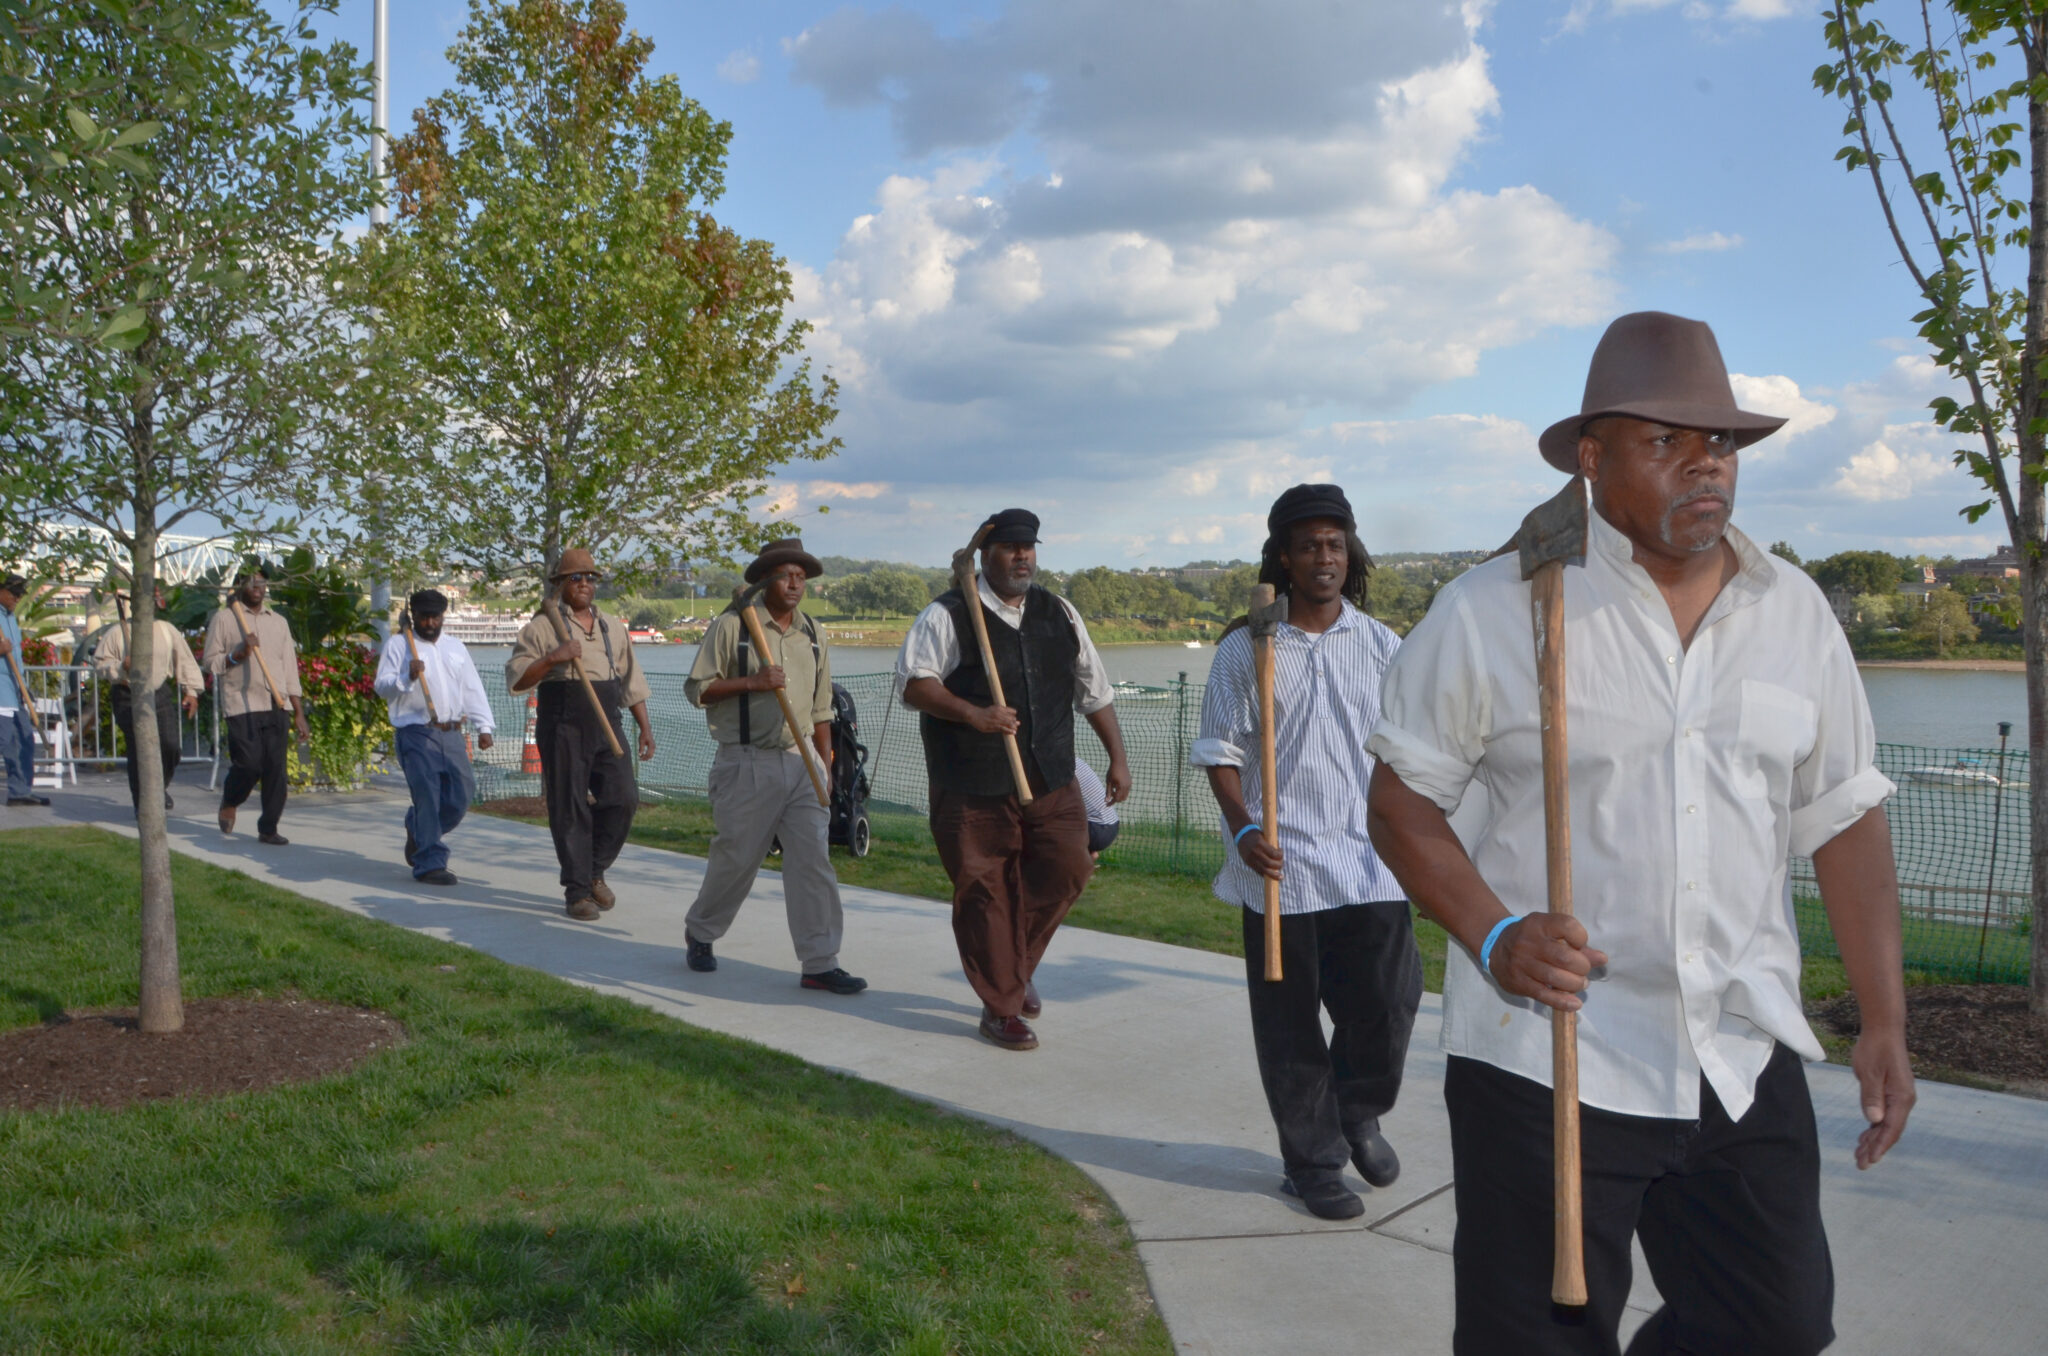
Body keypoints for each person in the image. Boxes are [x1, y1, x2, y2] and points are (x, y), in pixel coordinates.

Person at [1364, 311, 1915, 1355]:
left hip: (1736, 1049)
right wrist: (1495, 935)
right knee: (1537, 1342)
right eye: (1665, 441)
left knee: (1775, 1327)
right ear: (1590, 458)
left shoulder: (1794, 613)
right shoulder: (1495, 609)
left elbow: (1844, 818)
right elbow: (1398, 803)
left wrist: (1882, 1020)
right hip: (1550, 1059)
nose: (1705, 463)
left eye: (1720, 442)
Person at [1191, 483, 1422, 1222]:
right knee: (1289, 1029)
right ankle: (1313, 1162)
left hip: (1370, 861)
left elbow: (1411, 753)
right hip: (1282, 869)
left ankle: (1357, 1111)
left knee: (1389, 1005)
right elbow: (1220, 754)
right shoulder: (1248, 647)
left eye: (1335, 543)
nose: (1324, 557)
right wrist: (1242, 829)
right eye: (1308, 546)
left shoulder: (1383, 645)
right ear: (1284, 559)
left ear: (1349, 553)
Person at [895, 507, 1132, 1050]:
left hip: (1050, 776)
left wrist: (1117, 758)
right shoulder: (948, 613)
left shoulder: (1060, 612)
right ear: (985, 555)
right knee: (985, 890)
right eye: (1009, 547)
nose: (1022, 556)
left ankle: (1012, 967)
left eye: (1029, 547)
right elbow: (913, 684)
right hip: (970, 781)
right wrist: (972, 714)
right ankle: (1001, 1006)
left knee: (1070, 866)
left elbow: (1094, 691)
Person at [680, 538, 866, 994]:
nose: (796, 584)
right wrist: (753, 682)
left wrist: (824, 767)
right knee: (736, 859)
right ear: (765, 580)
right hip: (746, 762)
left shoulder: (814, 634)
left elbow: (821, 710)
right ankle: (701, 932)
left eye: (802, 577)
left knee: (813, 862)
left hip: (803, 763)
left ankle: (820, 962)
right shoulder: (732, 626)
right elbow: (698, 690)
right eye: (787, 576)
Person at [506, 549, 656, 920]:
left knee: (623, 798)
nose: (584, 584)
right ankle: (577, 893)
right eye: (575, 578)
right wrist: (553, 657)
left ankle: (593, 871)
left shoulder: (612, 627)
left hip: (607, 722)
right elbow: (519, 680)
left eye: (590, 578)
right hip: (563, 723)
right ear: (560, 584)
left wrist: (645, 727)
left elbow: (631, 681)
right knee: (569, 807)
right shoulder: (542, 627)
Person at [374, 589, 496, 886]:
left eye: (435, 617)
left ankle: (418, 829)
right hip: (415, 732)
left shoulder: (455, 647)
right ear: (413, 616)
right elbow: (381, 687)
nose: (430, 623)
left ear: (443, 617)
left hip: (451, 732)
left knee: (462, 795)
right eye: (424, 617)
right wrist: (407, 677)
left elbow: (471, 688)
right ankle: (430, 863)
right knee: (427, 795)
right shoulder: (398, 645)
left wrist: (484, 726)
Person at [202, 567, 309, 843]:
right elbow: (210, 662)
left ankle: (268, 828)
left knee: (276, 771)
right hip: (241, 704)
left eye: (261, 582)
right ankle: (230, 800)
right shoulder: (225, 619)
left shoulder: (279, 622)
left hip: (276, 703)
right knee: (248, 765)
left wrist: (298, 711)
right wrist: (237, 655)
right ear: (239, 585)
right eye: (250, 582)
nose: (257, 587)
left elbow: (290, 669)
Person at [92, 587, 203, 811]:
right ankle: (143, 805)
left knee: (170, 745)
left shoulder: (166, 630)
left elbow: (185, 661)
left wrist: (191, 691)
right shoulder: (117, 632)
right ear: (133, 605)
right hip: (127, 695)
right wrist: (121, 666)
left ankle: (158, 788)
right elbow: (100, 665)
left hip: (158, 692)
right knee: (139, 748)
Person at [0, 573, 46, 807]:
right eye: (14, 593)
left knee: (23, 740)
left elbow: (16, 655)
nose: (18, 598)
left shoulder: (11, 619)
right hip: (1, 692)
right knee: (4, 739)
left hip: (15, 689)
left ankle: (20, 791)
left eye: (20, 594)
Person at [1074, 757, 1120, 860]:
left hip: (1097, 828)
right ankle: (1087, 854)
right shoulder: (1072, 759)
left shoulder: (1058, 765)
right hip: (1110, 824)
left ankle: (1082, 858)